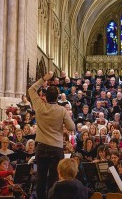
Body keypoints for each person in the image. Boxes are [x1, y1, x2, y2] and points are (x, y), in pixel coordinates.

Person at [28, 71, 76, 199]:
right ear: (57, 97)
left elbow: (32, 89)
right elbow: (72, 127)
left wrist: (44, 78)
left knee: (40, 179)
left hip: (42, 147)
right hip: (56, 148)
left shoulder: (39, 105)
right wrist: (62, 126)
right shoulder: (62, 110)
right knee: (54, 179)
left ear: (45, 96)